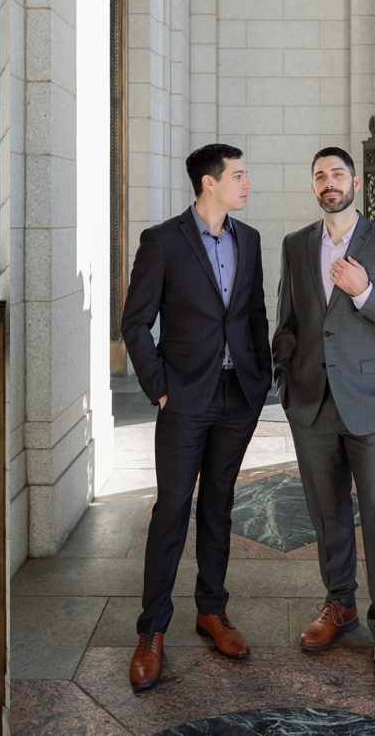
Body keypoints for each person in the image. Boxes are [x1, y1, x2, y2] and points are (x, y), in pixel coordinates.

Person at [272, 147, 375, 695]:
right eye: (320, 175)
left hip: (371, 404)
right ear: (313, 186)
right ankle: (340, 605)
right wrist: (285, 377)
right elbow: (286, 320)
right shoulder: (295, 246)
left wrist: (364, 293)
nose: (329, 182)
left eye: (337, 173)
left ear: (355, 181)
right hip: (311, 404)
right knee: (326, 513)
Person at [121, 143, 272, 691]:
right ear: (209, 183)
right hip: (185, 399)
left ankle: (212, 610)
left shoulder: (249, 240)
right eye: (239, 175)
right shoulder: (162, 242)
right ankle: (152, 630)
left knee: (220, 504)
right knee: (172, 509)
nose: (246, 184)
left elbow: (254, 313)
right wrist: (161, 389)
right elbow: (134, 323)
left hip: (238, 398)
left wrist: (262, 381)